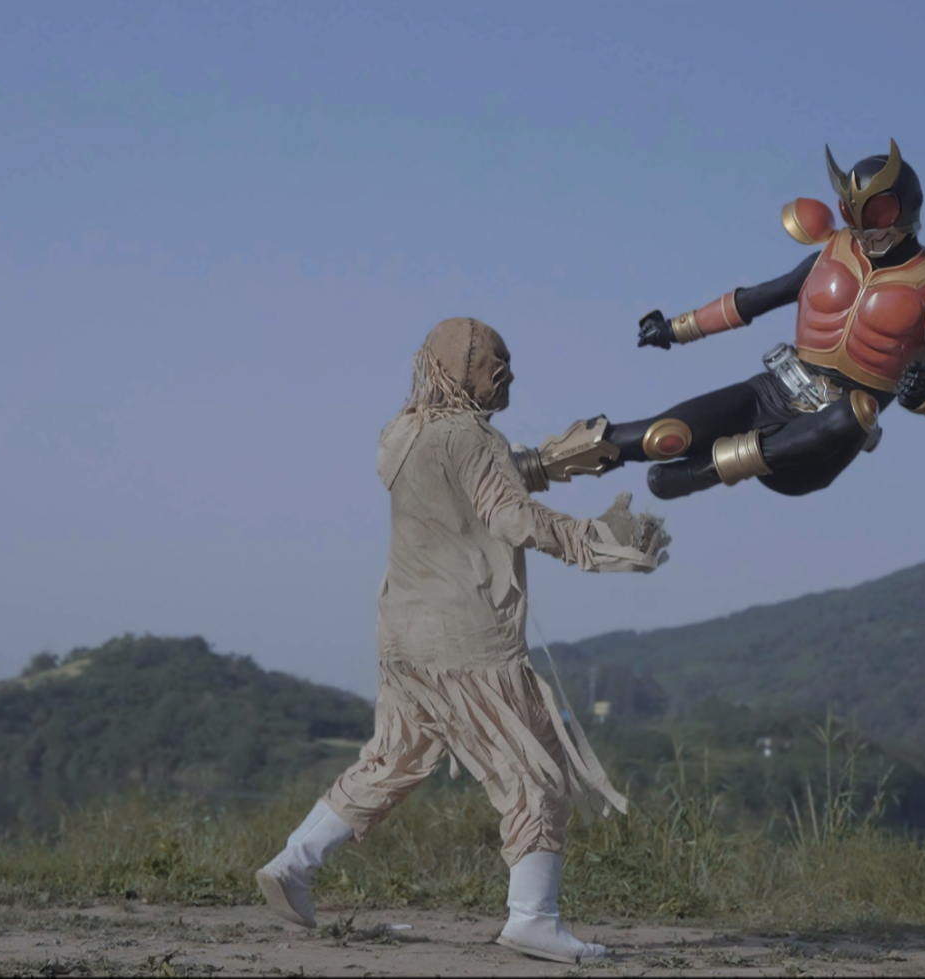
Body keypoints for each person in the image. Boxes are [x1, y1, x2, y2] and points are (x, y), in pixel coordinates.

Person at [255, 317, 669, 966]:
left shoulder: (403, 433)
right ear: (465, 373)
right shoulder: (473, 438)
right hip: (468, 645)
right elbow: (509, 515)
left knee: (391, 760)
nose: (507, 377)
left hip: (403, 637)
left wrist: (540, 463)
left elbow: (460, 483)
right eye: (495, 367)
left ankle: (293, 863)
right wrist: (598, 540)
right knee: (536, 772)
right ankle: (533, 919)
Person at [512, 140, 925, 501]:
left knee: (856, 412)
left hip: (817, 442)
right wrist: (677, 328)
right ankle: (534, 465)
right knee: (663, 434)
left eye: (874, 210)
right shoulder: (830, 254)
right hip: (775, 390)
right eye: (851, 209)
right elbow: (755, 300)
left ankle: (710, 469)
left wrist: (923, 394)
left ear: (904, 208)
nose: (860, 222)